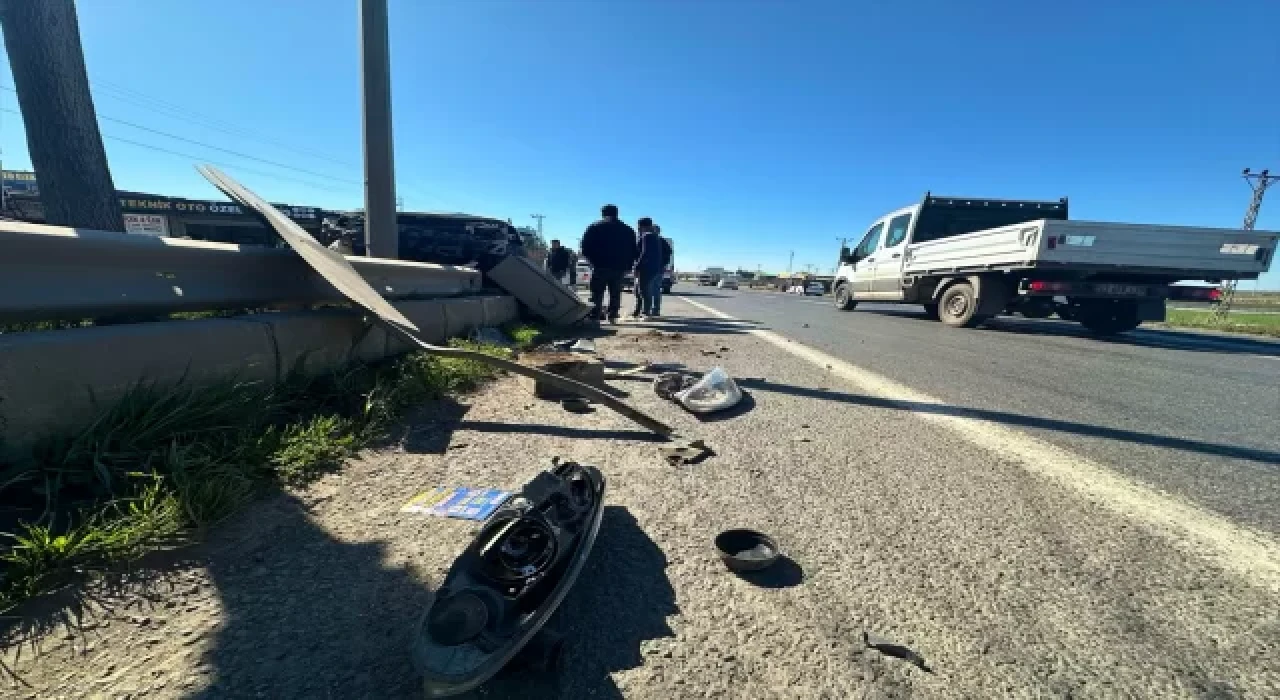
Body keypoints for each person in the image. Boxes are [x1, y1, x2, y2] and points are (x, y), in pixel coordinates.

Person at [580, 204, 637, 322]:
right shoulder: (628, 230)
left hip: (600, 265)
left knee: (597, 292)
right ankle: (613, 315)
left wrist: (591, 261)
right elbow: (633, 251)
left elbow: (585, 247)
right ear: (617, 213)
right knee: (615, 292)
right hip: (619, 267)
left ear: (603, 213)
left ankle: (595, 315)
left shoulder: (594, 227)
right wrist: (629, 265)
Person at [633, 218, 671, 318]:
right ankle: (648, 311)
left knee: (644, 291)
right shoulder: (657, 238)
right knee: (650, 291)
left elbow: (644, 253)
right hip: (656, 268)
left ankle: (646, 312)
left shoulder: (647, 236)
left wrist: (637, 267)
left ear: (641, 226)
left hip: (648, 268)